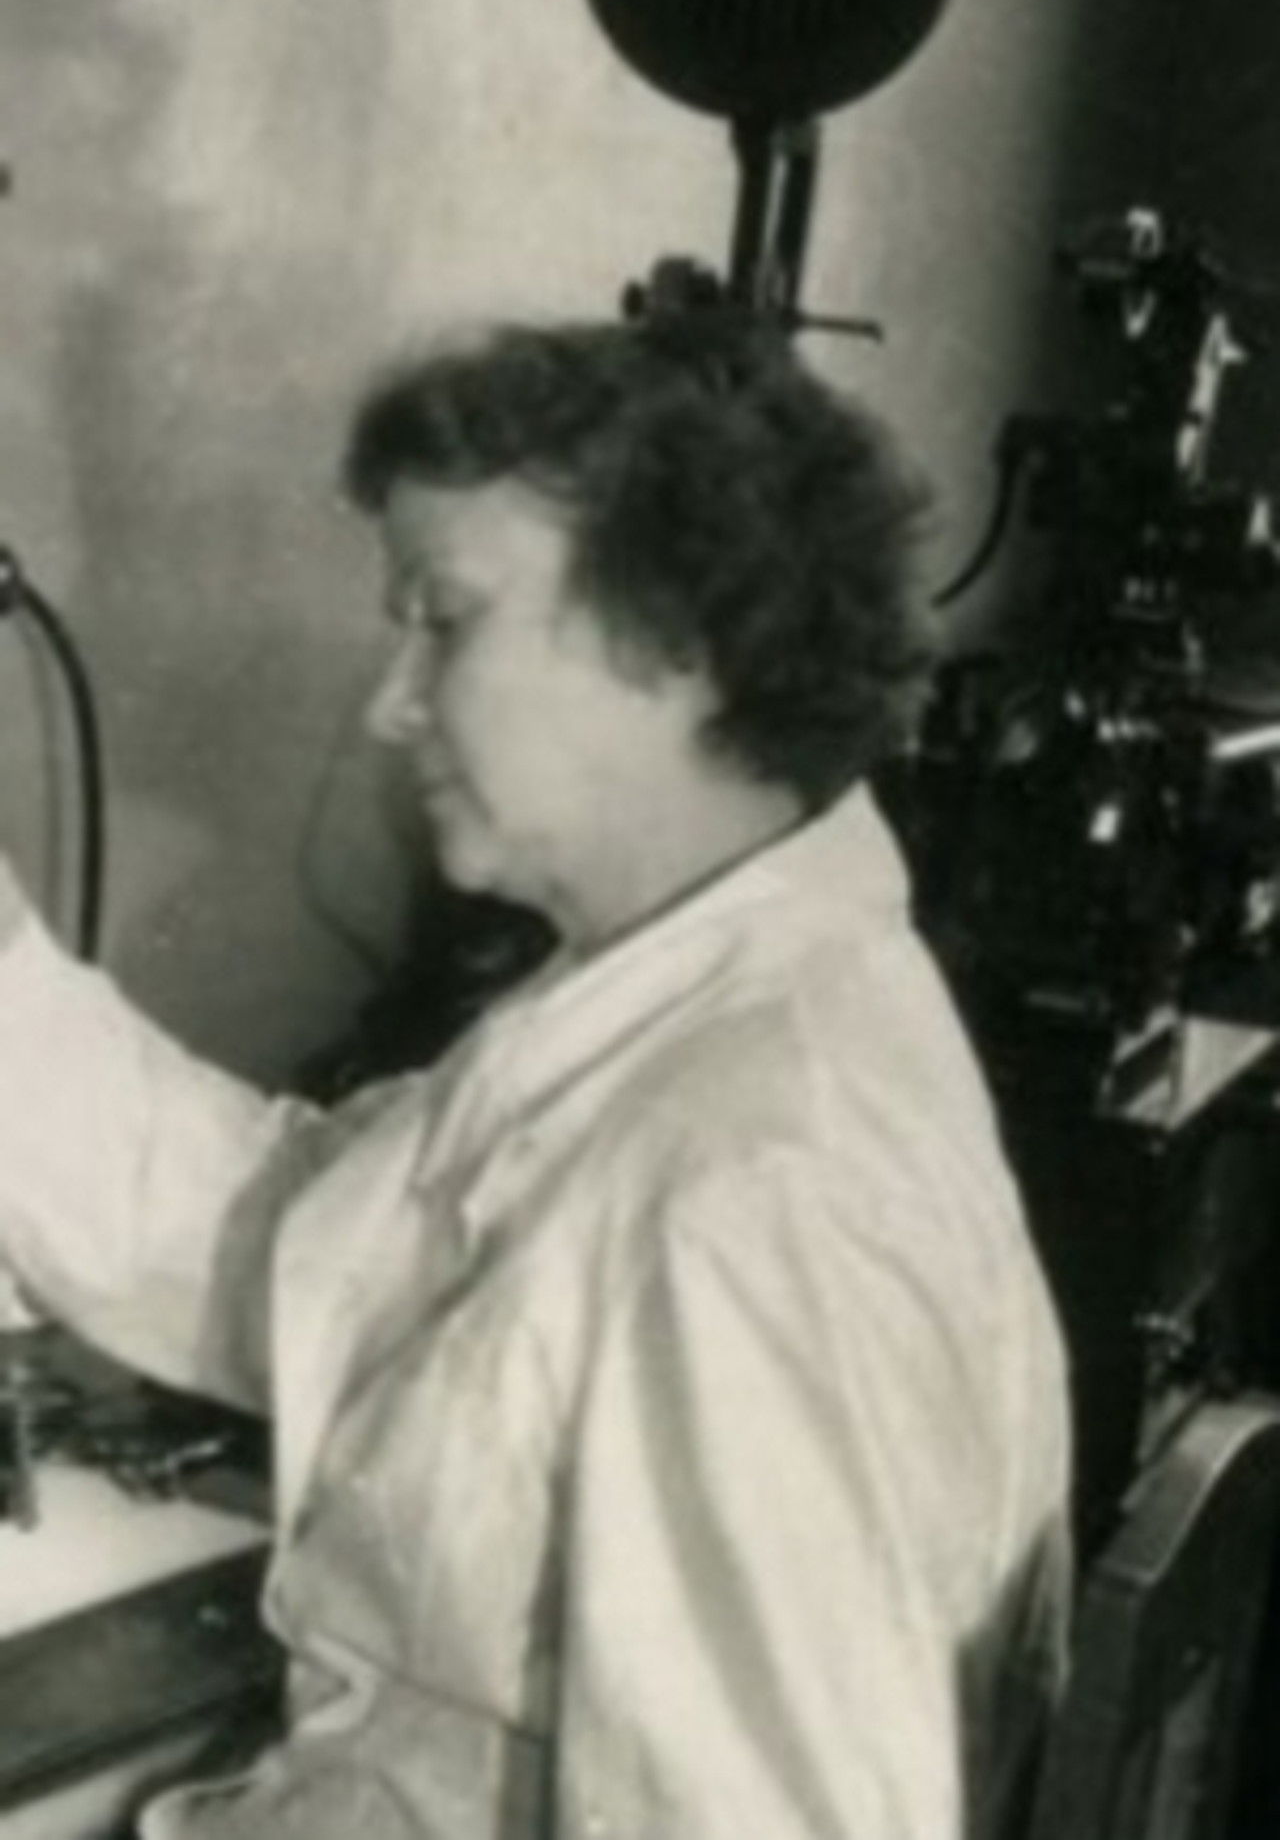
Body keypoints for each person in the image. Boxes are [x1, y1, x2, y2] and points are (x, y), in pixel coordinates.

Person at [0, 312, 1070, 1839]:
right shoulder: (688, 1007)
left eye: (443, 619)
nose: (389, 702)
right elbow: (297, 1246)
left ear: (680, 638)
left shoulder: (760, 1184)